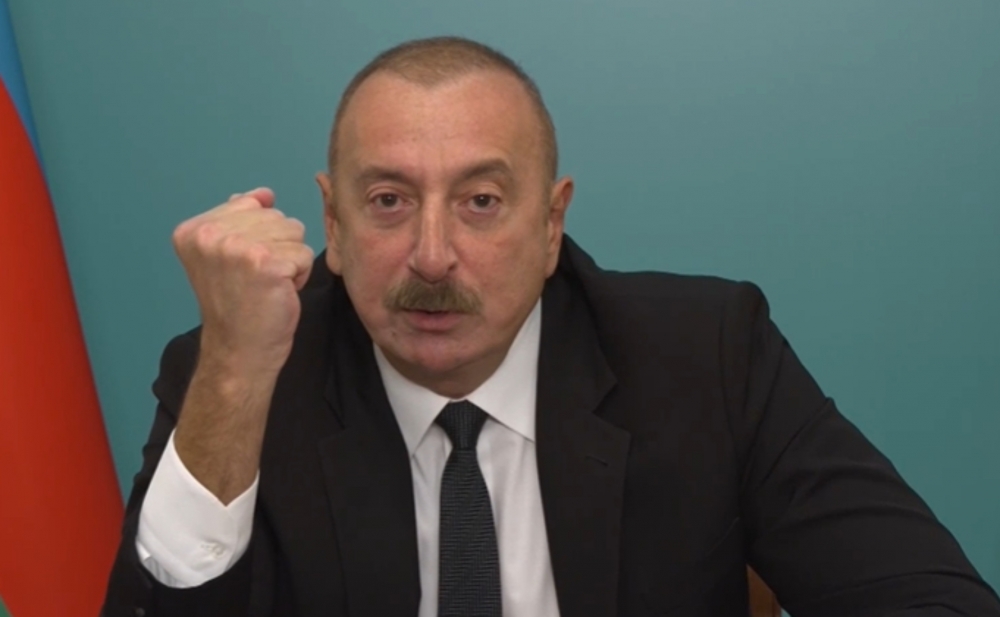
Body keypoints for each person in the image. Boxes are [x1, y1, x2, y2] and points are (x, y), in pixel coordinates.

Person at [102, 36, 1000, 617]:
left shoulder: (708, 355)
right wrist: (233, 373)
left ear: (551, 225)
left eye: (482, 201)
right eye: (388, 201)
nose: (432, 256)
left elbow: (933, 600)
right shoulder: (243, 371)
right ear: (332, 225)